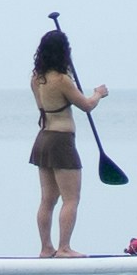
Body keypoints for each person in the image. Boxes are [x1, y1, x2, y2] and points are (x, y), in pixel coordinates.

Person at [27, 19, 107, 258]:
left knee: (48, 199)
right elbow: (86, 106)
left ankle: (46, 248)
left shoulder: (36, 78)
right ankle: (63, 248)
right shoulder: (62, 80)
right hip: (61, 142)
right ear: (63, 53)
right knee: (71, 198)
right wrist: (98, 94)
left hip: (43, 139)